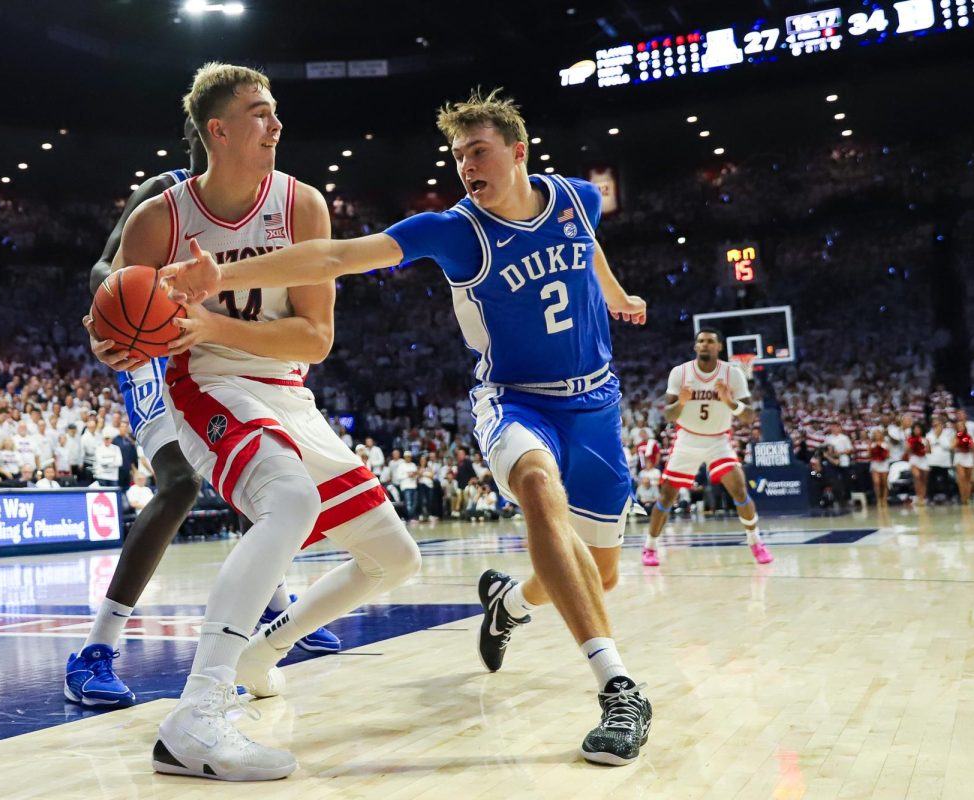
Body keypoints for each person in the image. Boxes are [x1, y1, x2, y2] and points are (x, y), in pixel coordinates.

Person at [162, 87, 651, 765]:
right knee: (538, 488)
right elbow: (334, 257)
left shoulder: (578, 198)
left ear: (518, 152)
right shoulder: (452, 229)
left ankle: (508, 605)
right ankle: (619, 688)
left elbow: (586, 246)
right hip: (516, 400)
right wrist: (224, 273)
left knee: (602, 574)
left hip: (596, 404)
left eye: (478, 153)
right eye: (457, 158)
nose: (466, 168)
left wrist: (617, 294)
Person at [85, 63, 417, 781]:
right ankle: (195, 717)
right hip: (205, 384)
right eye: (261, 114)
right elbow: (112, 325)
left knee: (396, 557)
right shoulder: (160, 218)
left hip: (286, 392)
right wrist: (112, 338)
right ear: (220, 130)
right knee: (290, 501)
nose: (276, 126)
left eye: (275, 113)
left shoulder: (301, 205)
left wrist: (208, 321)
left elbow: (314, 340)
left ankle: (264, 651)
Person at [643, 330, 772, 566]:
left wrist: (730, 402)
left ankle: (755, 542)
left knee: (739, 489)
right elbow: (669, 415)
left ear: (719, 347)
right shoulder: (680, 373)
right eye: (700, 341)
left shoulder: (733, 374)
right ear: (695, 347)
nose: (704, 345)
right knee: (667, 495)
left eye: (710, 341)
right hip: (687, 439)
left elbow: (749, 416)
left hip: (718, 439)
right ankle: (650, 547)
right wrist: (680, 402)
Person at [907, 422, 930, 505]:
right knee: (917, 477)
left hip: (923, 459)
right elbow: (907, 450)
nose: (917, 430)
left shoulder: (925, 439)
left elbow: (929, 451)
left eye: (918, 428)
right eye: (915, 429)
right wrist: (914, 447)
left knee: (923, 480)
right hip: (914, 459)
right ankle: (918, 496)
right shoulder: (910, 439)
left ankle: (922, 498)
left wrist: (923, 449)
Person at [868, 428, 891, 507]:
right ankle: (879, 499)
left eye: (878, 434)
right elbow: (869, 455)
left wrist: (882, 453)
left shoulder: (885, 444)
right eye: (876, 434)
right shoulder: (871, 444)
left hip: (884, 465)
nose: (877, 435)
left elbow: (888, 455)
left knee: (884, 483)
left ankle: (884, 499)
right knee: (876, 482)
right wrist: (874, 452)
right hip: (875, 465)